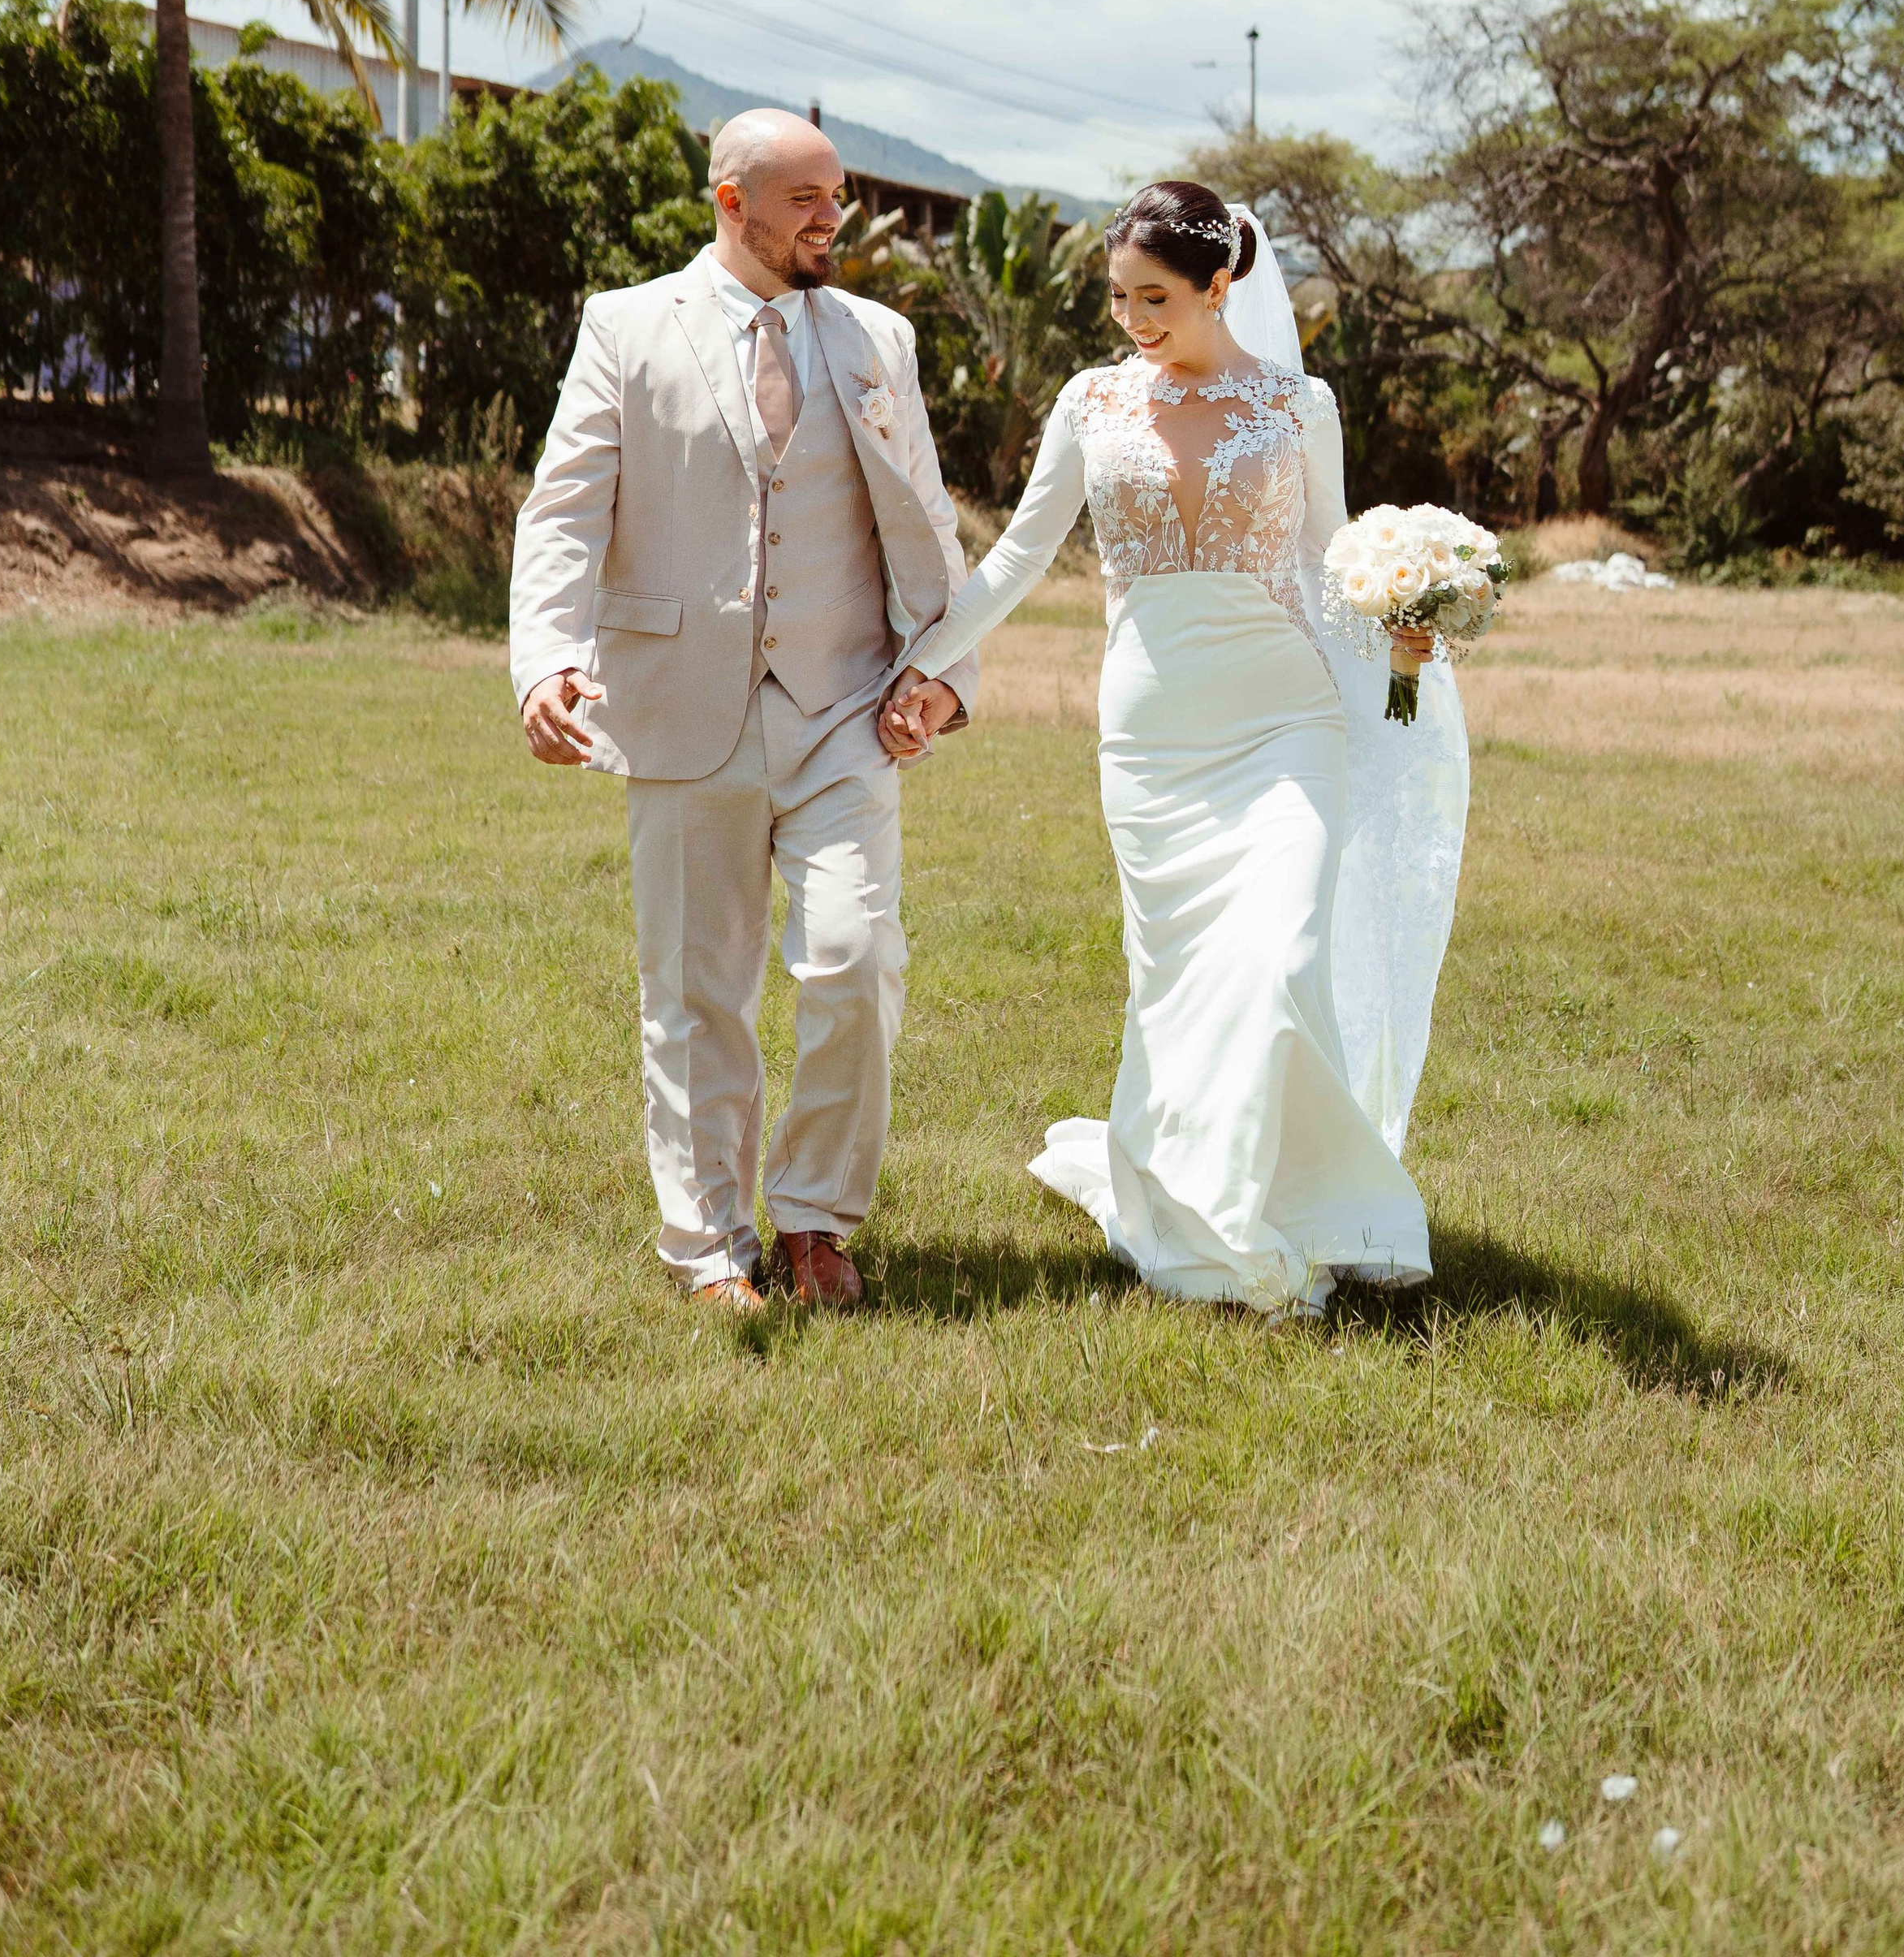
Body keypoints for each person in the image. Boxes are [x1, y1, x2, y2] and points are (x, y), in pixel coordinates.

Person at [879, 180, 1470, 1314]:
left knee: (1282, 957)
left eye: (1155, 296)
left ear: (1220, 285)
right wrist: (926, 662)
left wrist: (1406, 642)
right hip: (1152, 736)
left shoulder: (1302, 406)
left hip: (1286, 720)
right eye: (1116, 298)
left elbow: (1334, 562)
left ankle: (1297, 1207)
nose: (1134, 319)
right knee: (1178, 979)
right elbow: (1013, 562)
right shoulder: (1091, 404)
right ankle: (1196, 1197)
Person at [509, 108, 977, 1311]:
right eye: (808, 198)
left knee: (856, 959)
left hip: (843, 707)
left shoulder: (880, 338)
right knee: (694, 990)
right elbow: (564, 510)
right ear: (733, 201)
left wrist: (943, 671)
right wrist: (546, 660)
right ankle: (709, 1247)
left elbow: (924, 519)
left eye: (836, 194)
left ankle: (815, 1221)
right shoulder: (626, 326)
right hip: (676, 703)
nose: (835, 217)